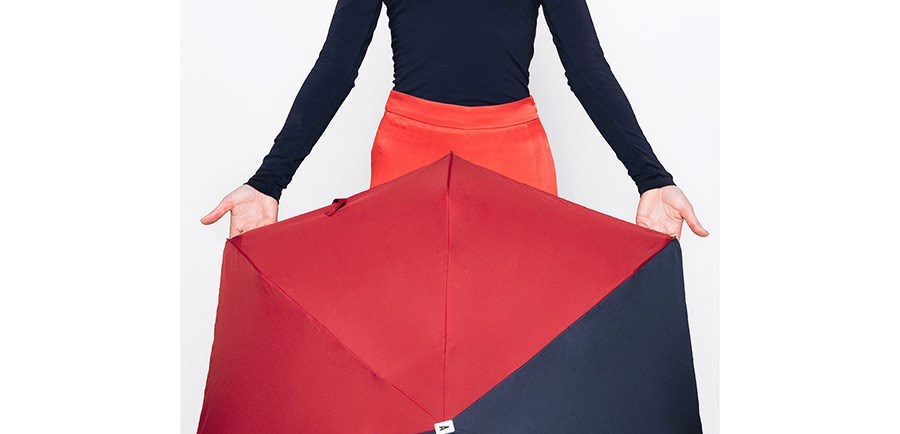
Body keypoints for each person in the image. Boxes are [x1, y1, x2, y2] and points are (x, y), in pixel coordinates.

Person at [201, 0, 708, 240]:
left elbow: (587, 72)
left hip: (511, 158)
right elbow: (336, 69)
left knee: (520, 341)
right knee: (406, 339)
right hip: (411, 158)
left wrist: (652, 179)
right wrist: (268, 182)